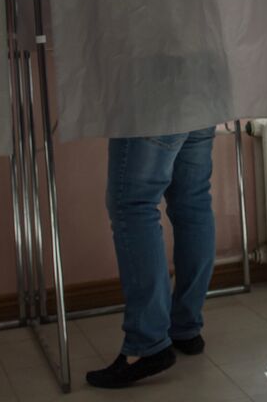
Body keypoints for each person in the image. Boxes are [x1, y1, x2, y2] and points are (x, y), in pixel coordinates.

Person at [85, 127, 216, 388]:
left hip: (151, 102)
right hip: (203, 99)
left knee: (133, 205)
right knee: (193, 202)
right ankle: (186, 327)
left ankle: (148, 344)